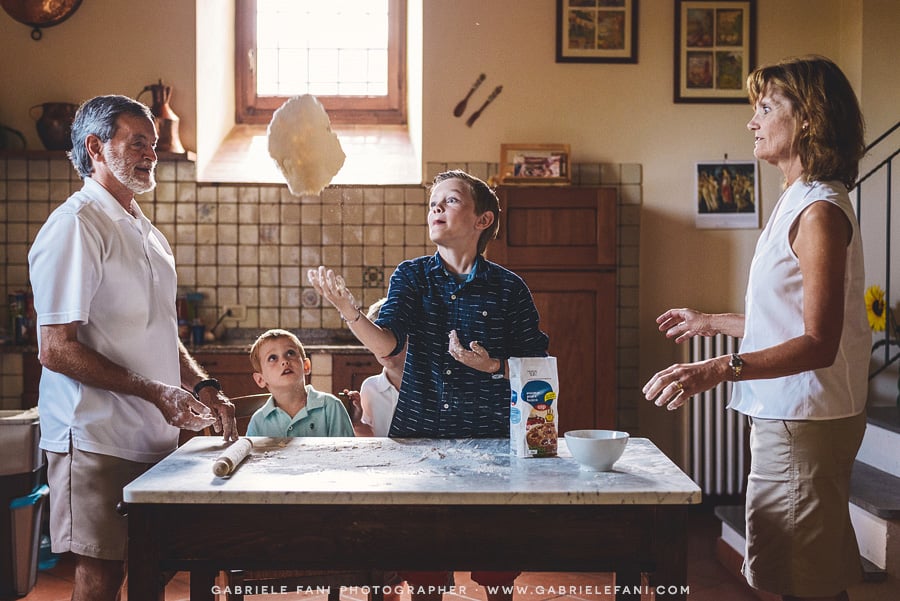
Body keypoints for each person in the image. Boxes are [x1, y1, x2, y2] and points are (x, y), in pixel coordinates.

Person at [643, 55, 868, 601]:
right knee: (813, 576)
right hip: (797, 416)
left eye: (766, 107)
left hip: (801, 420)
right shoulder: (799, 198)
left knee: (801, 584)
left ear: (808, 119)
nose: (752, 121)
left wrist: (718, 367)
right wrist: (711, 322)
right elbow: (789, 318)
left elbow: (818, 341)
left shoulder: (819, 211)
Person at [27, 94, 238, 601]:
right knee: (101, 578)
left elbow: (162, 332)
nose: (151, 154)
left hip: (151, 437)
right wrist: (155, 392)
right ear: (96, 147)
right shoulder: (76, 226)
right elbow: (56, 349)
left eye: (155, 143)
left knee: (151, 567)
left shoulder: (145, 231)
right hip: (96, 437)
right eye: (138, 141)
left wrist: (200, 384)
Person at [309, 169, 549, 601]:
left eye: (451, 200)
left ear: (483, 220)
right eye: (433, 201)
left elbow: (539, 369)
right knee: (424, 572)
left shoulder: (511, 290)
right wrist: (349, 311)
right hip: (418, 445)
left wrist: (492, 365)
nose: (436, 207)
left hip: (492, 449)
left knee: (497, 573)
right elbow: (388, 342)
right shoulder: (411, 276)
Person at [246, 328, 355, 437]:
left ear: (306, 366)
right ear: (261, 379)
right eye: (272, 358)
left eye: (290, 353)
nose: (284, 361)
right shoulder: (258, 421)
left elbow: (348, 452)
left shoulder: (331, 407)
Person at [345, 298, 405, 437]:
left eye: (390, 340)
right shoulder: (370, 387)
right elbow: (371, 440)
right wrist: (357, 423)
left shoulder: (431, 385)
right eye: (375, 341)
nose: (384, 350)